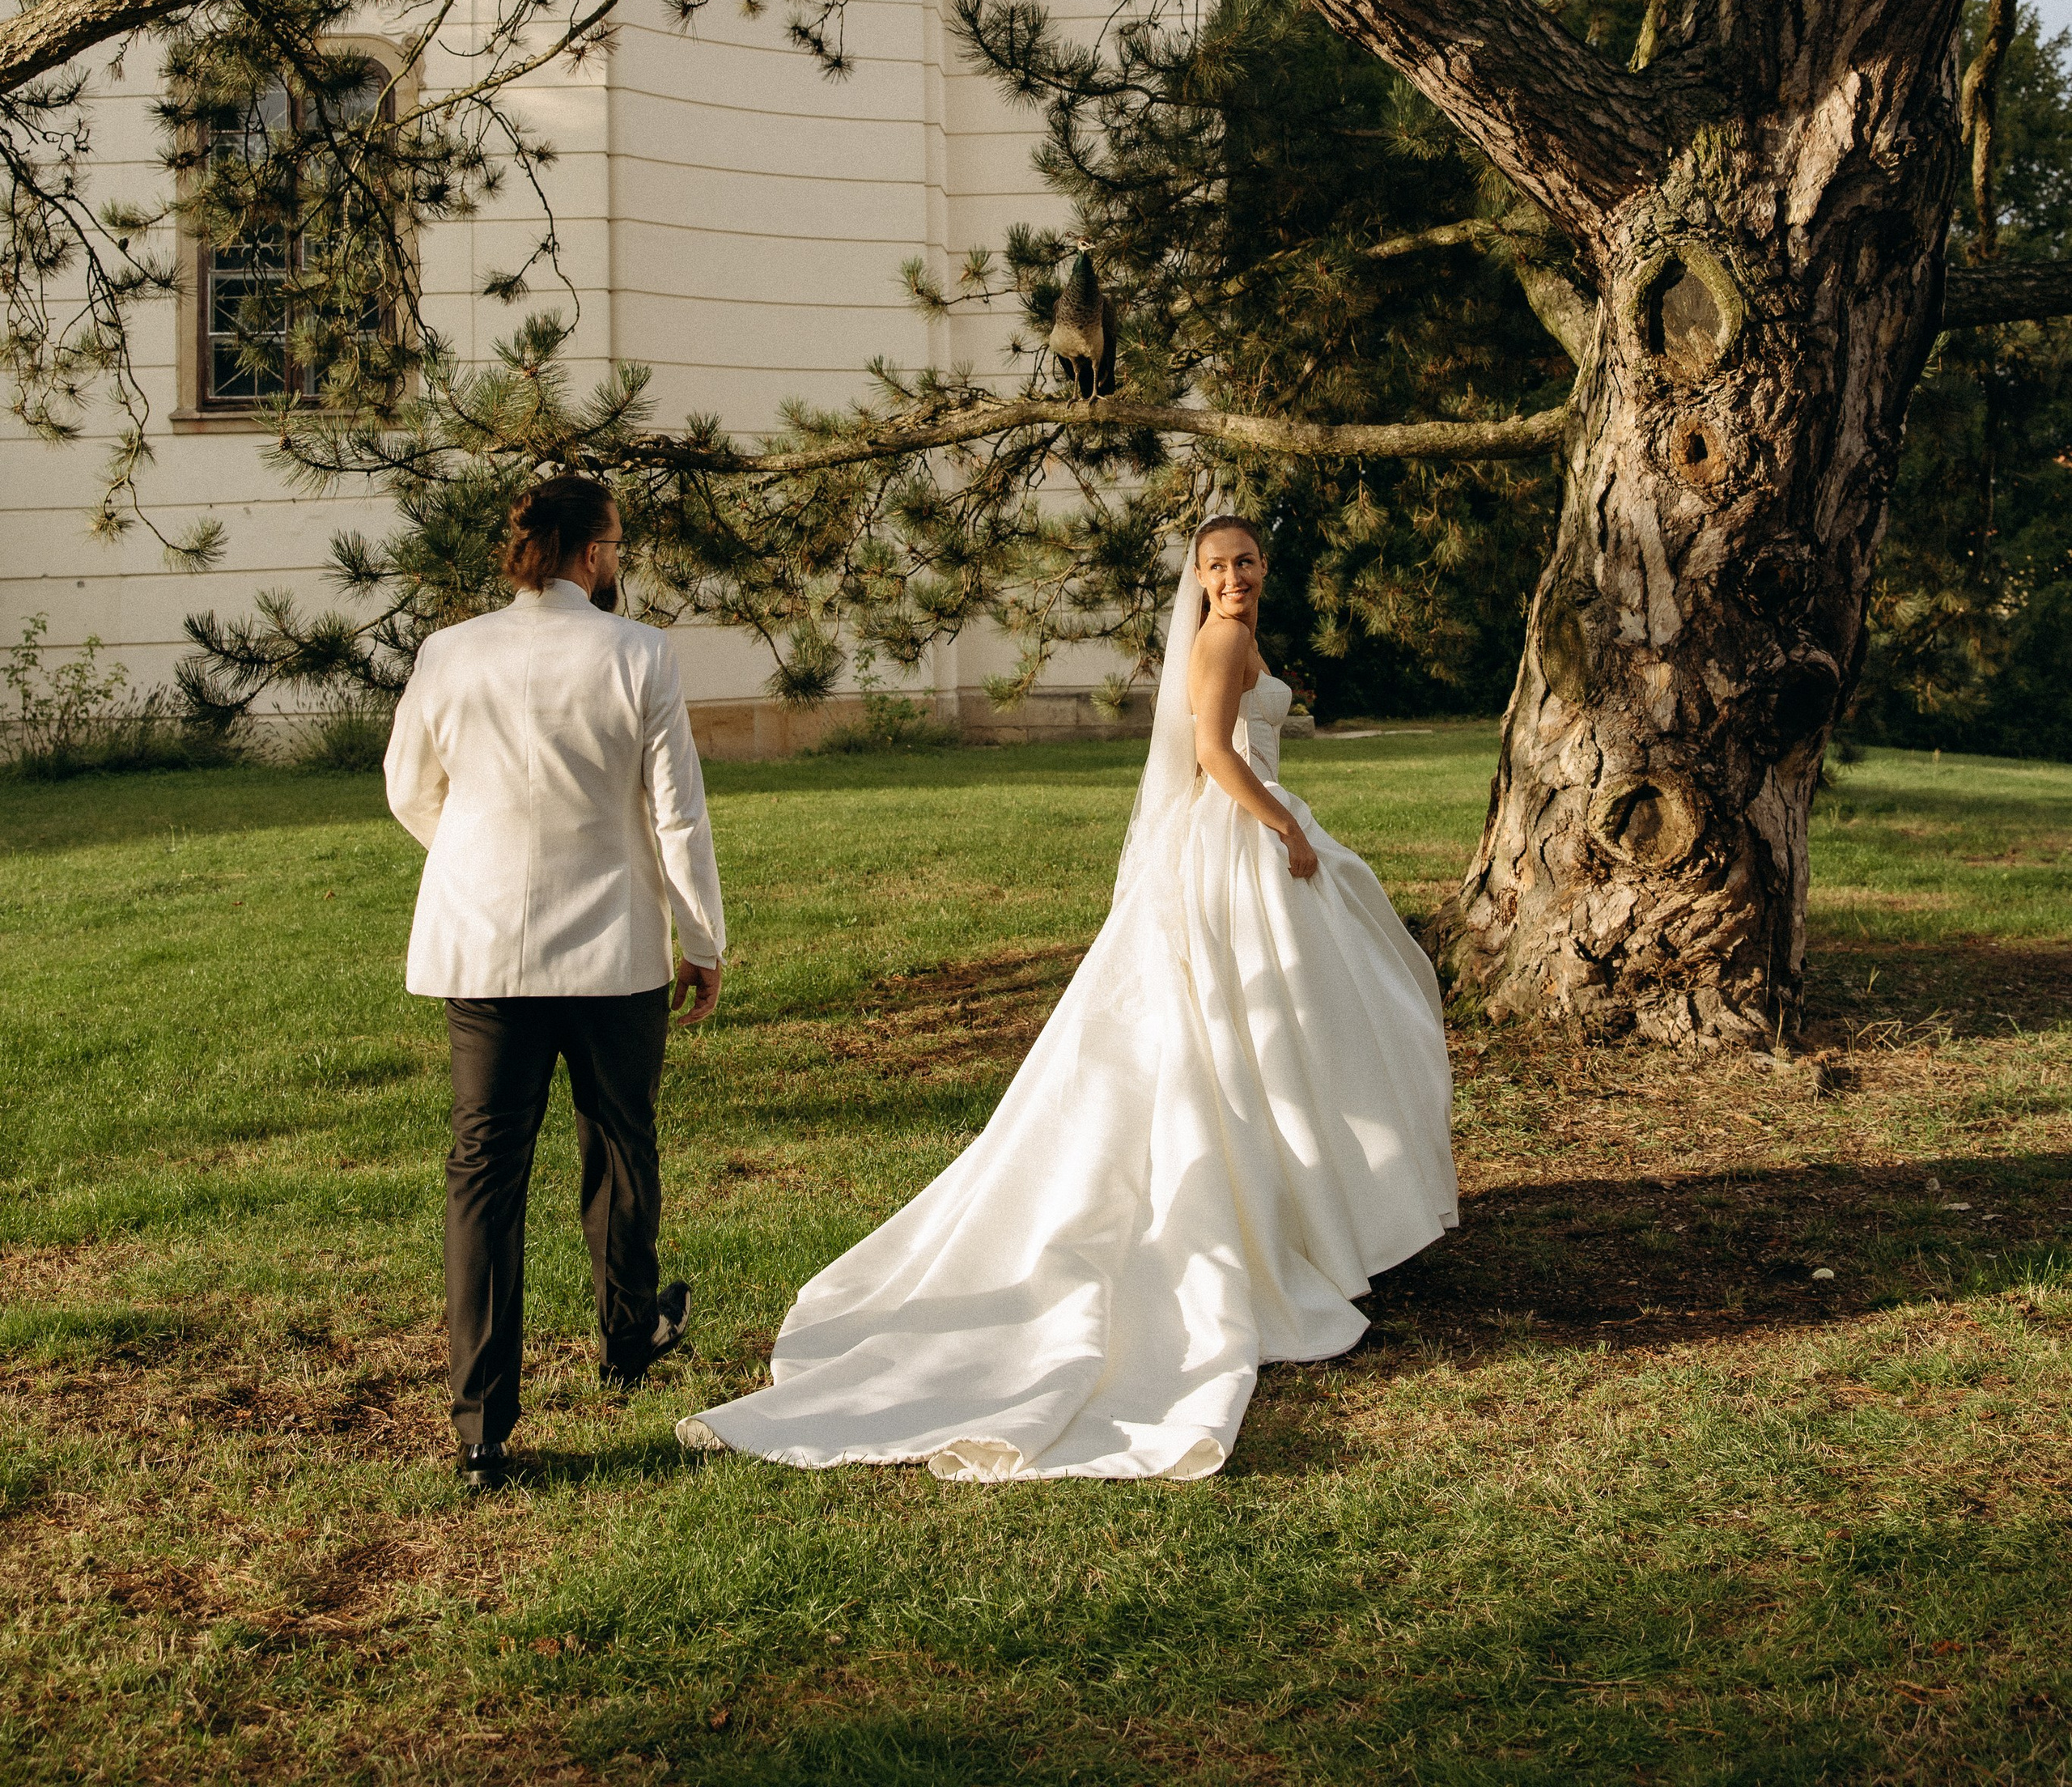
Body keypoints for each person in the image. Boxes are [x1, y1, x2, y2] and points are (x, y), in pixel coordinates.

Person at [680, 514, 1454, 1482]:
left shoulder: (1244, 635)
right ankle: (1276, 1218)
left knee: (1298, 1022)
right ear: (1199, 579)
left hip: (1243, 835)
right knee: (1267, 1022)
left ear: (1265, 565)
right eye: (1216, 566)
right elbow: (1213, 752)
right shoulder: (1219, 641)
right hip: (1237, 836)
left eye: (1245, 561)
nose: (1233, 578)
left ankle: (1298, 1211)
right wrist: (1285, 831)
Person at [384, 473, 725, 1492]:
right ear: (590, 554)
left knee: (484, 1172)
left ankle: (483, 1429)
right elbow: (676, 813)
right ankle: (628, 1337)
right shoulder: (641, 652)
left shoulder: (450, 652)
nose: (619, 560)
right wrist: (701, 936)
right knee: (619, 1140)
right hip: (613, 942)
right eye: (616, 543)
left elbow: (408, 786)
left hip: (483, 944)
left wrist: (471, 857)